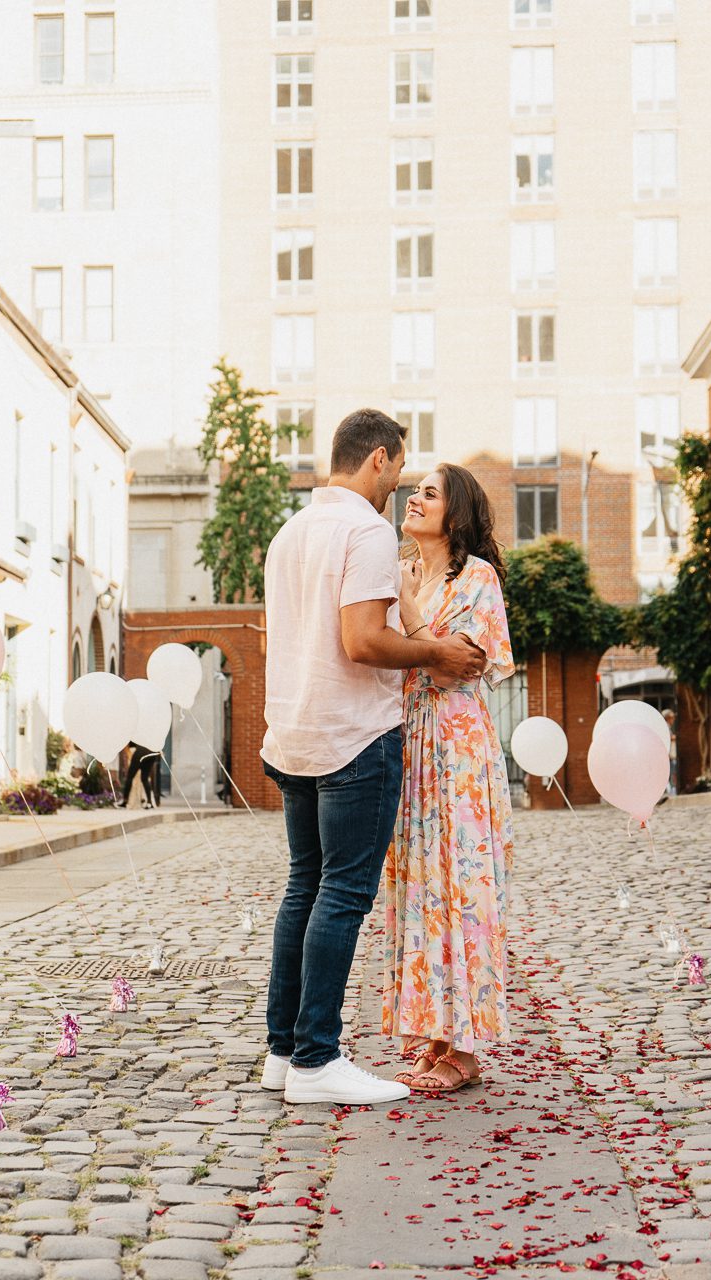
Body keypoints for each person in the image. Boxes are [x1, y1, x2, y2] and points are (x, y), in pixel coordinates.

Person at [259, 409, 487, 1107]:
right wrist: (436, 651)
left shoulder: (290, 533)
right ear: (380, 460)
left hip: (293, 734)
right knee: (343, 895)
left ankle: (283, 1052)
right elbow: (363, 641)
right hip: (352, 736)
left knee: (304, 886)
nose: (398, 487)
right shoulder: (363, 530)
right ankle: (318, 1059)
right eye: (399, 470)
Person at [383, 464, 515, 1094]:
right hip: (409, 742)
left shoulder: (477, 578)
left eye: (428, 493)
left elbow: (459, 665)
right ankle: (434, 1029)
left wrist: (410, 619)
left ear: (455, 514)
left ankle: (465, 1044)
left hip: (456, 746)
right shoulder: (402, 572)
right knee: (420, 885)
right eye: (414, 489)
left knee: (460, 883)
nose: (413, 497)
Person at [116, 742, 157, 809]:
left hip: (140, 752)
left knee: (129, 777)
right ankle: (149, 802)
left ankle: (125, 801)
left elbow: (131, 743)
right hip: (152, 753)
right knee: (145, 778)